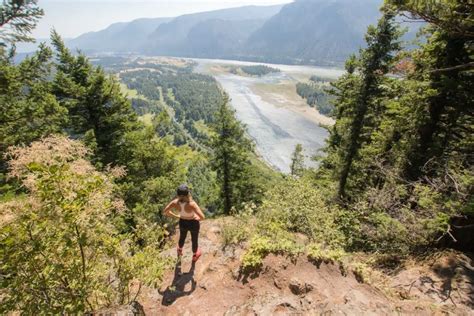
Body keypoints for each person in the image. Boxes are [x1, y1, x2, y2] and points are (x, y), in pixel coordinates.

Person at [163, 184, 205, 262]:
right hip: (193, 223)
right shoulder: (192, 204)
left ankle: (179, 250)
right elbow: (202, 217)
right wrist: (197, 218)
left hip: (182, 221)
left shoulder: (175, 202)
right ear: (188, 193)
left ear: (178, 194)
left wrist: (175, 216)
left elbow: (165, 211)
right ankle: (195, 255)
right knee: (194, 239)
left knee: (182, 237)